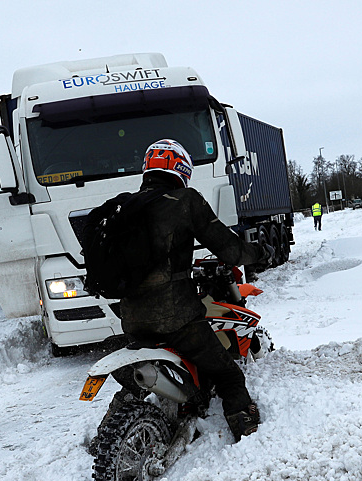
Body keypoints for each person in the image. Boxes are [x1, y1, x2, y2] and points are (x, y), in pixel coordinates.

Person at [115, 139, 272, 442]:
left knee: (132, 384)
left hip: (132, 317)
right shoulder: (184, 201)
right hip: (176, 318)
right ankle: (248, 433)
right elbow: (230, 249)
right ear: (181, 168)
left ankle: (104, 436)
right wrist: (259, 253)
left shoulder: (127, 206)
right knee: (228, 373)